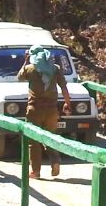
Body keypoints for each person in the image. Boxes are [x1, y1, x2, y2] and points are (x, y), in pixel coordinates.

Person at [17, 45, 72, 179]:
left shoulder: (30, 69)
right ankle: (56, 161)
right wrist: (67, 103)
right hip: (52, 110)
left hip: (34, 110)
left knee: (34, 141)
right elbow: (64, 87)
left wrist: (25, 60)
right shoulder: (55, 69)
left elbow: (19, 77)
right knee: (50, 137)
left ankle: (35, 171)